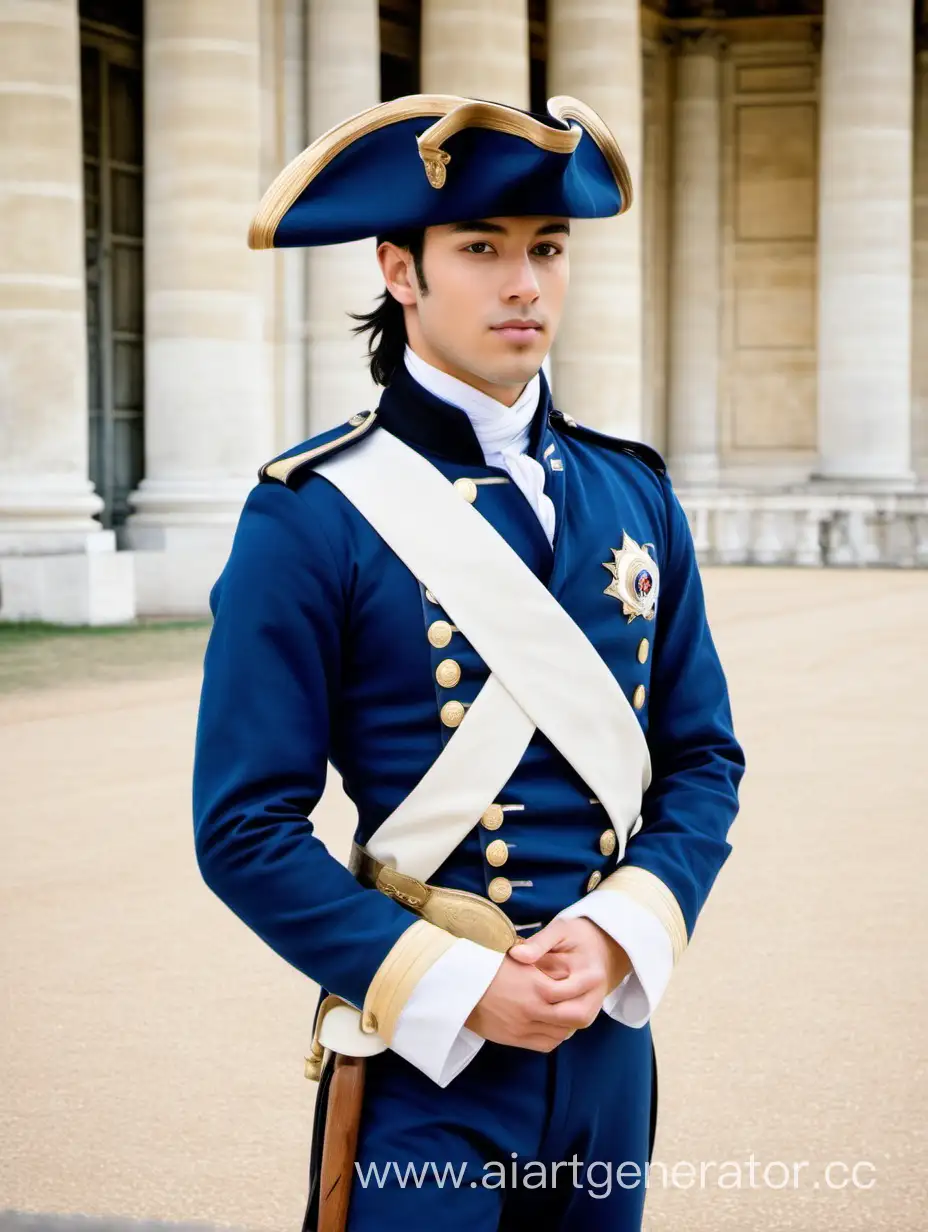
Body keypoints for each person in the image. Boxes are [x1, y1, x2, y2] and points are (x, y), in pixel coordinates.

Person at [192, 92, 745, 1232]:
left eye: (546, 249)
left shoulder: (630, 489)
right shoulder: (312, 513)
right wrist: (465, 984)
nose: (523, 284)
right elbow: (243, 825)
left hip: (604, 1055)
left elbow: (701, 755)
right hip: (424, 1059)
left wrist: (618, 928)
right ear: (401, 271)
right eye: (481, 250)